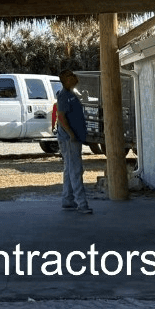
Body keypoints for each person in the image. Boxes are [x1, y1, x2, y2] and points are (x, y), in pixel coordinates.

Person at [55, 69, 92, 214]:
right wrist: (71, 134)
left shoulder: (71, 95)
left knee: (69, 168)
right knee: (76, 169)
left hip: (71, 137)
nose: (75, 77)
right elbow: (61, 117)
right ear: (66, 79)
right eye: (71, 75)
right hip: (69, 139)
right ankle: (81, 203)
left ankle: (68, 199)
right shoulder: (64, 96)